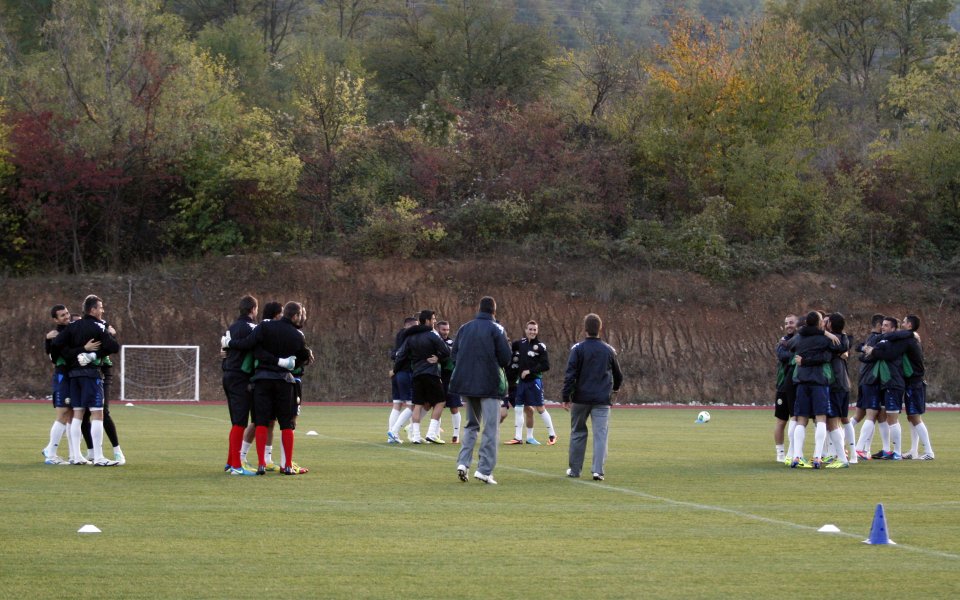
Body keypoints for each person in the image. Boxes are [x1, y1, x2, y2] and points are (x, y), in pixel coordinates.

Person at [51, 294, 120, 466]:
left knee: (78, 414)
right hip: (91, 375)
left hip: (73, 377)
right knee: (97, 413)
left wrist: (75, 353)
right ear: (93, 310)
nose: (102, 310)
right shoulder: (98, 327)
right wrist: (95, 352)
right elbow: (113, 347)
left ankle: (76, 456)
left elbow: (56, 344)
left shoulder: (72, 327)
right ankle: (98, 457)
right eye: (100, 307)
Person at [450, 296, 512, 485]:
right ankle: (484, 470)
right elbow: (506, 358)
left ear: (479, 308)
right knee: (490, 428)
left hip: (467, 385)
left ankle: (463, 462)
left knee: (471, 424)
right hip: (489, 385)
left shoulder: (464, 328)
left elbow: (454, 355)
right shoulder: (497, 329)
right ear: (494, 310)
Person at [248, 301, 312, 475]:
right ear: (295, 316)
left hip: (262, 380)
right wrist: (292, 361)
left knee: (261, 421)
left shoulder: (265, 327)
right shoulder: (297, 335)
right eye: (301, 315)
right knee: (286, 424)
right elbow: (301, 360)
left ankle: (261, 464)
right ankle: (287, 465)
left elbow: (255, 350)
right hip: (284, 381)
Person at [561, 313, 623, 481]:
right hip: (602, 400)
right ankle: (598, 471)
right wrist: (614, 391)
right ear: (600, 329)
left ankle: (575, 470)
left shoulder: (578, 349)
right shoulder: (608, 350)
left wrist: (566, 396)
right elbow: (618, 375)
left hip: (580, 399)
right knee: (600, 435)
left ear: (585, 329)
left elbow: (570, 375)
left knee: (578, 433)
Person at [788, 311, 841, 469]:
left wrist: (803, 360)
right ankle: (817, 457)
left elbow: (790, 346)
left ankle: (796, 456)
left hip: (802, 381)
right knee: (821, 418)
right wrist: (827, 334)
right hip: (819, 381)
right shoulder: (825, 339)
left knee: (801, 419)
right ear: (819, 323)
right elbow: (830, 354)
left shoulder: (799, 337)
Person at [391, 310, 450, 444]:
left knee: (418, 404)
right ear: (428, 320)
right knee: (440, 402)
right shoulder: (432, 335)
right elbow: (446, 350)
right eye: (434, 319)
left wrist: (395, 370)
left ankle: (416, 436)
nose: (435, 321)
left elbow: (400, 356)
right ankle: (431, 433)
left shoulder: (410, 337)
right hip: (431, 373)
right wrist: (438, 357)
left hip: (416, 374)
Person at [219, 295, 260, 476]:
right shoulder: (253, 327)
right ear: (253, 309)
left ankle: (230, 462)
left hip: (227, 374)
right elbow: (254, 346)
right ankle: (236, 465)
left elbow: (225, 351)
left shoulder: (232, 327)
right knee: (240, 422)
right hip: (241, 377)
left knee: (236, 422)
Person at [863, 316, 912, 460]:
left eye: (886, 326)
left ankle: (897, 452)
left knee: (893, 418)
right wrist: (866, 349)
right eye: (882, 325)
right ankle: (888, 450)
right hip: (886, 383)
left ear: (893, 329)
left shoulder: (896, 342)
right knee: (886, 417)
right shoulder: (885, 339)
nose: (883, 328)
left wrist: (872, 351)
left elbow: (888, 354)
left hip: (893, 383)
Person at [41, 304, 79, 464]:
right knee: (63, 414)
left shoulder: (70, 330)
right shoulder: (56, 334)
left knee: (71, 416)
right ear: (56, 319)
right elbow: (55, 357)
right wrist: (48, 341)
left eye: (67, 313)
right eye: (62, 315)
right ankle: (51, 454)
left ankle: (73, 455)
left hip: (72, 376)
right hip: (63, 376)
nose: (67, 316)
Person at [897, 315, 934, 459]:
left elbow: (896, 336)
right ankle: (913, 451)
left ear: (910, 325)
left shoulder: (910, 341)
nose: (902, 324)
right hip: (912, 382)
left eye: (904, 322)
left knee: (915, 417)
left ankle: (929, 452)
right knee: (911, 417)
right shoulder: (912, 339)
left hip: (915, 383)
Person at [514, 321, 556, 445]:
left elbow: (546, 365)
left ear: (537, 331)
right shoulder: (520, 344)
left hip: (534, 381)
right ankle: (518, 437)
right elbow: (507, 348)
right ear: (525, 330)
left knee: (540, 408)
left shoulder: (540, 346)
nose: (532, 332)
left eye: (534, 330)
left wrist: (529, 371)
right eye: (530, 329)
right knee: (518, 408)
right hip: (521, 382)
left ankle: (552, 435)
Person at [853, 314, 885, 460]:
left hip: (863, 379)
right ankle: (859, 448)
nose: (885, 328)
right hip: (871, 380)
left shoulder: (870, 338)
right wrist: (864, 352)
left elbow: (859, 348)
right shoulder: (878, 339)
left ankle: (865, 449)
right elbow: (867, 355)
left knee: (859, 415)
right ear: (879, 325)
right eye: (883, 325)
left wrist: (862, 350)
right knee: (872, 415)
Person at [386, 316, 417, 444]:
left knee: (397, 405)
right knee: (412, 405)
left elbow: (394, 354)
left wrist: (394, 369)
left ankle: (391, 435)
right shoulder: (409, 338)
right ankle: (393, 431)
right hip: (405, 373)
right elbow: (402, 355)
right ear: (408, 326)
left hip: (397, 374)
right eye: (415, 326)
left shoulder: (399, 335)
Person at [773, 314, 798, 463]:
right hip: (783, 387)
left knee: (796, 419)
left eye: (791, 323)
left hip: (796, 386)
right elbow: (783, 356)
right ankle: (780, 453)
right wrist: (795, 356)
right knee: (781, 421)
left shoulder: (800, 340)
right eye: (786, 323)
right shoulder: (781, 342)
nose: (789, 325)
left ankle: (792, 451)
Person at [436, 320, 462, 444]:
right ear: (438, 329)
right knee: (437, 407)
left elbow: (451, 354)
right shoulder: (433, 342)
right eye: (443, 330)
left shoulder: (452, 343)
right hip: (436, 378)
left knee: (454, 407)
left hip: (451, 379)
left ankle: (456, 435)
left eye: (447, 330)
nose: (446, 332)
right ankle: (435, 434)